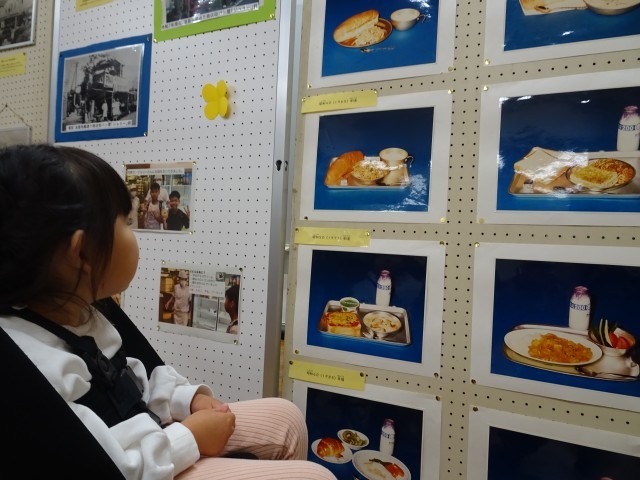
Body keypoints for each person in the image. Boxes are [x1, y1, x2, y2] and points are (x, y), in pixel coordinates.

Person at [0, 144, 337, 480]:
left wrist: (185, 400)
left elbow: (131, 382)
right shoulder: (38, 368)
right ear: (82, 253)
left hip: (151, 438)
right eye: (126, 222)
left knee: (286, 417)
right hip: (141, 465)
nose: (134, 234)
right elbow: (113, 465)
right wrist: (190, 437)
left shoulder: (82, 314)